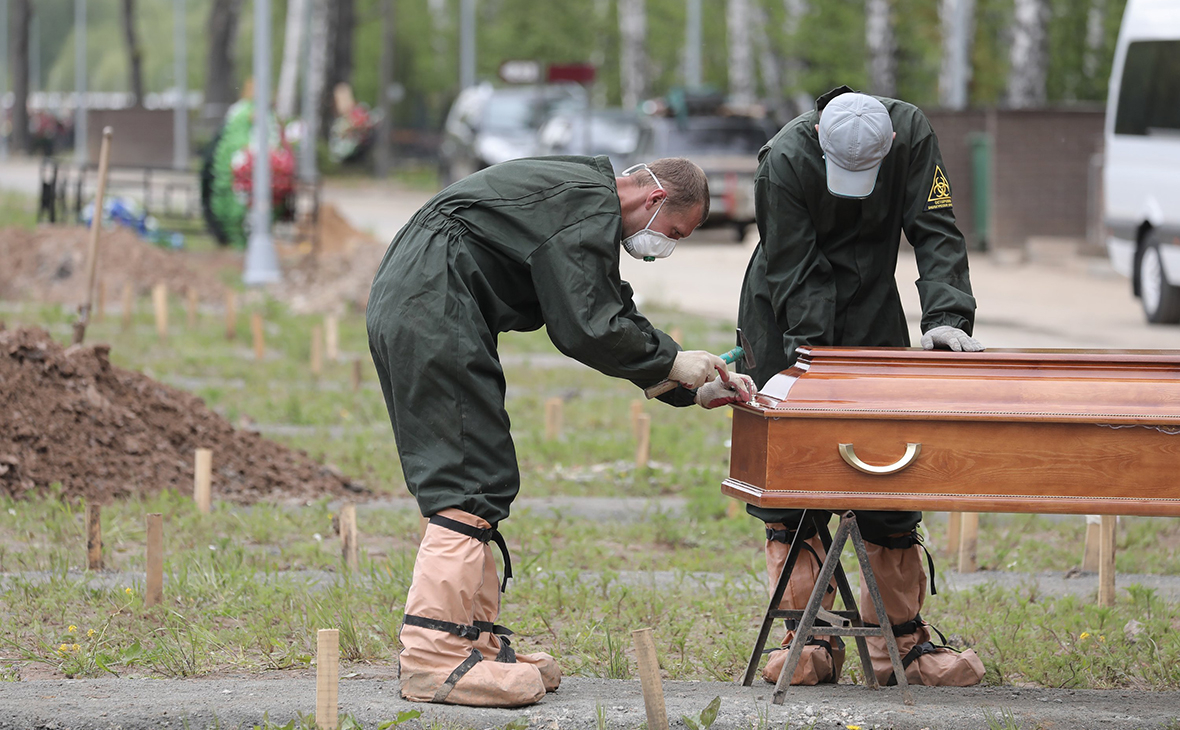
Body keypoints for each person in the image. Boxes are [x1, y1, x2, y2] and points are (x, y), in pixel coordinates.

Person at [367, 155, 757, 707]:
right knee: (466, 475)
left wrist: (691, 388)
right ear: (653, 199)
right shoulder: (585, 205)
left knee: (485, 473)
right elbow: (586, 325)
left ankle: (470, 640)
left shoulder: (583, 199)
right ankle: (434, 657)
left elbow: (605, 305)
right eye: (673, 233)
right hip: (431, 307)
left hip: (433, 301)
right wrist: (673, 360)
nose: (664, 246)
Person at [738, 87, 987, 688]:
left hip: (874, 309)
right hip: (786, 317)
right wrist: (816, 364)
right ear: (821, 141)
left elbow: (937, 231)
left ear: (890, 145)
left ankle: (901, 648)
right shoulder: (784, 159)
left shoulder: (913, 135)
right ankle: (811, 638)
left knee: (888, 470)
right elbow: (794, 267)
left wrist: (947, 319)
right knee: (793, 481)